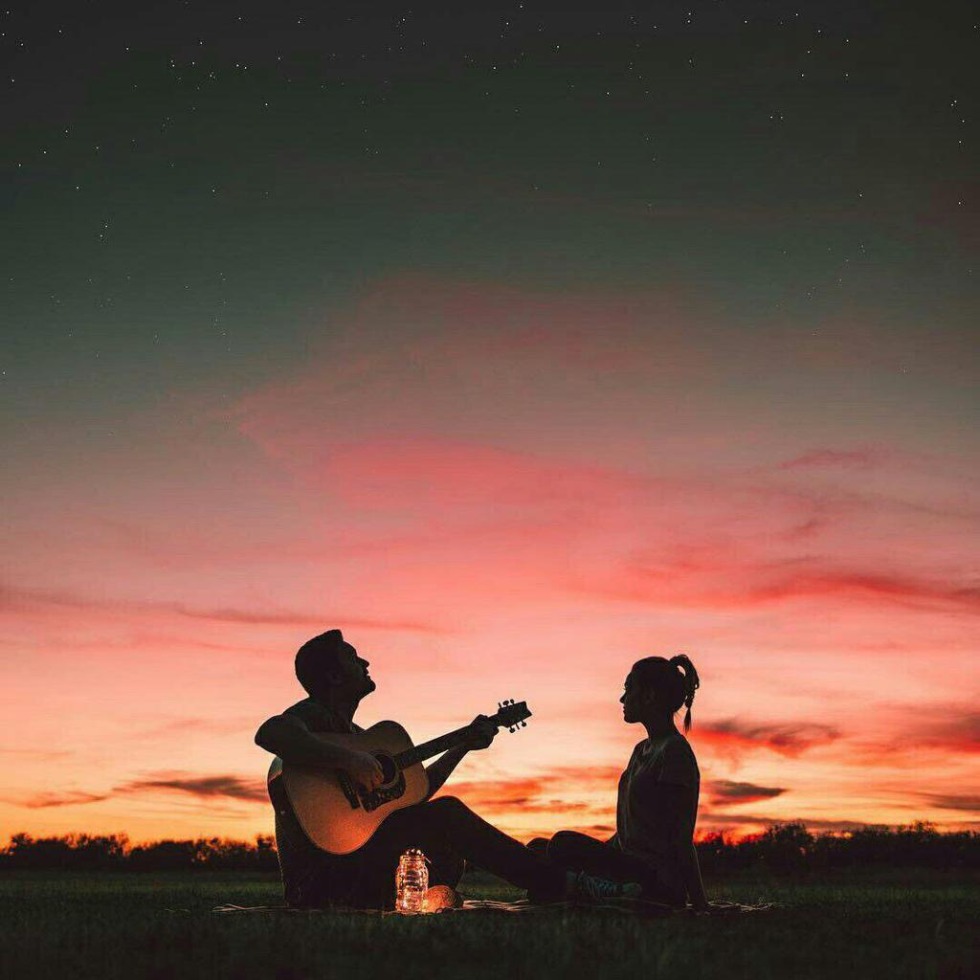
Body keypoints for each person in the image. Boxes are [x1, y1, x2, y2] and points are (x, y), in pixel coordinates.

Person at [254, 629, 639, 908]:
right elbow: (270, 732)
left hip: (355, 868)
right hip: (323, 886)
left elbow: (416, 792)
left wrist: (462, 746)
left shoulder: (355, 736)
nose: (366, 662)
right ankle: (564, 885)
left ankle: (553, 875)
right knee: (448, 814)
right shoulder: (315, 718)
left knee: (443, 829)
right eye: (354, 657)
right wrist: (351, 760)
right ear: (335, 676)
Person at [528, 654, 711, 910]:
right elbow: (631, 832)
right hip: (627, 867)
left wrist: (700, 904)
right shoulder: (640, 751)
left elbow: (681, 836)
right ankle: (600, 888)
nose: (623, 699)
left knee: (562, 843)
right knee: (538, 849)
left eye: (628, 689)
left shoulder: (675, 751)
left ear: (649, 696)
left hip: (654, 879)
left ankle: (609, 891)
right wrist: (594, 854)